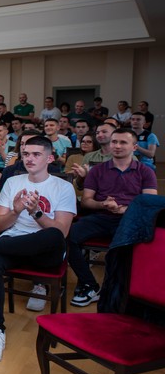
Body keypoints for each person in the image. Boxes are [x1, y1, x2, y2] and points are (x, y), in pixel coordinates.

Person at [0, 136, 76, 363]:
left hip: (45, 252)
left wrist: (36, 213)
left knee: (52, 235)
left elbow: (61, 233)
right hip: (12, 245)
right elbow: (1, 226)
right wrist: (15, 211)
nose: (29, 159)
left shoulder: (63, 187)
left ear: (50, 158)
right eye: (26, 154)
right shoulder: (13, 182)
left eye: (36, 154)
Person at [67, 128, 157, 307]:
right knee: (66, 236)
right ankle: (90, 285)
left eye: (123, 142)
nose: (117, 146)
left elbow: (150, 204)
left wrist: (124, 209)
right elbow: (86, 201)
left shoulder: (145, 172)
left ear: (134, 147)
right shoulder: (98, 171)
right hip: (102, 216)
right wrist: (103, 204)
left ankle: (121, 290)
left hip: (130, 220)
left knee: (128, 246)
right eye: (115, 142)